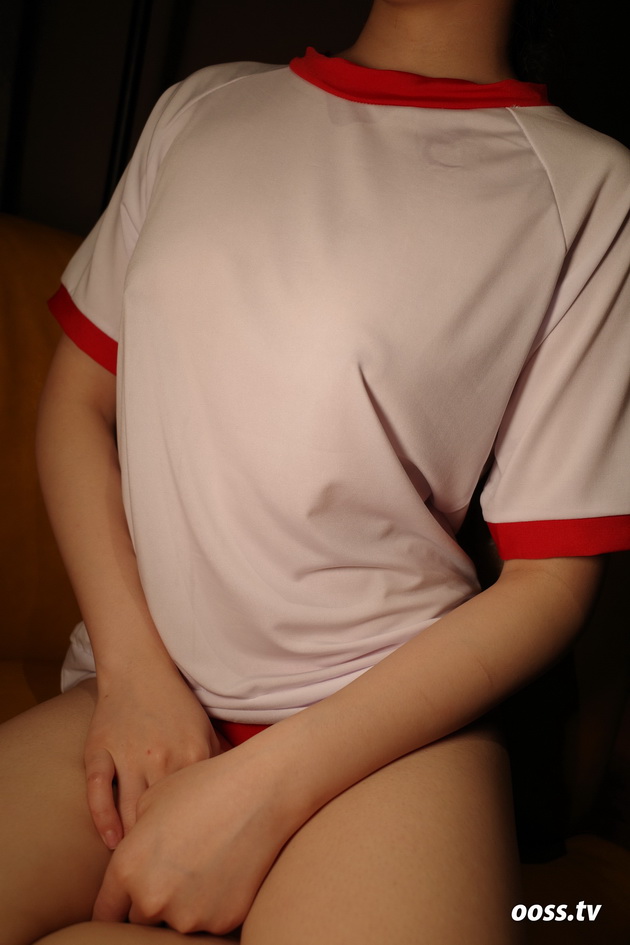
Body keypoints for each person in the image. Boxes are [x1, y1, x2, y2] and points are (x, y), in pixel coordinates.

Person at [2, 0, 629, 942]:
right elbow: (76, 407)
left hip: (383, 741)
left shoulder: (588, 186)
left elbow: (552, 579)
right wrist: (131, 676)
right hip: (142, 698)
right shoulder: (198, 109)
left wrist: (262, 790)